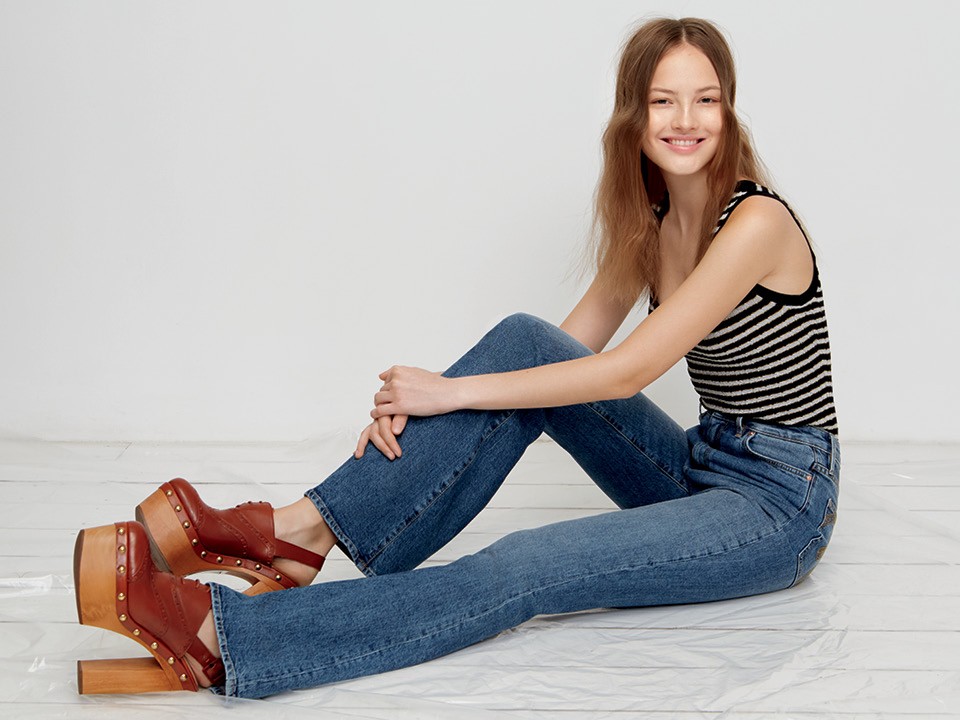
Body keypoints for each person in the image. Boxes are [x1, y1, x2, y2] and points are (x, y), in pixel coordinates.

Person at [73, 16, 840, 698]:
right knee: (524, 339)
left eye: (706, 99)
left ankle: (224, 638)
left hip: (778, 502)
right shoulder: (655, 219)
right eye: (663, 101)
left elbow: (628, 371)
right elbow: (558, 356)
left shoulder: (755, 222)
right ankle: (300, 530)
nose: (686, 120)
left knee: (526, 566)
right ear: (633, 115)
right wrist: (438, 407)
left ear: (729, 109)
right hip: (701, 465)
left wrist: (448, 394)